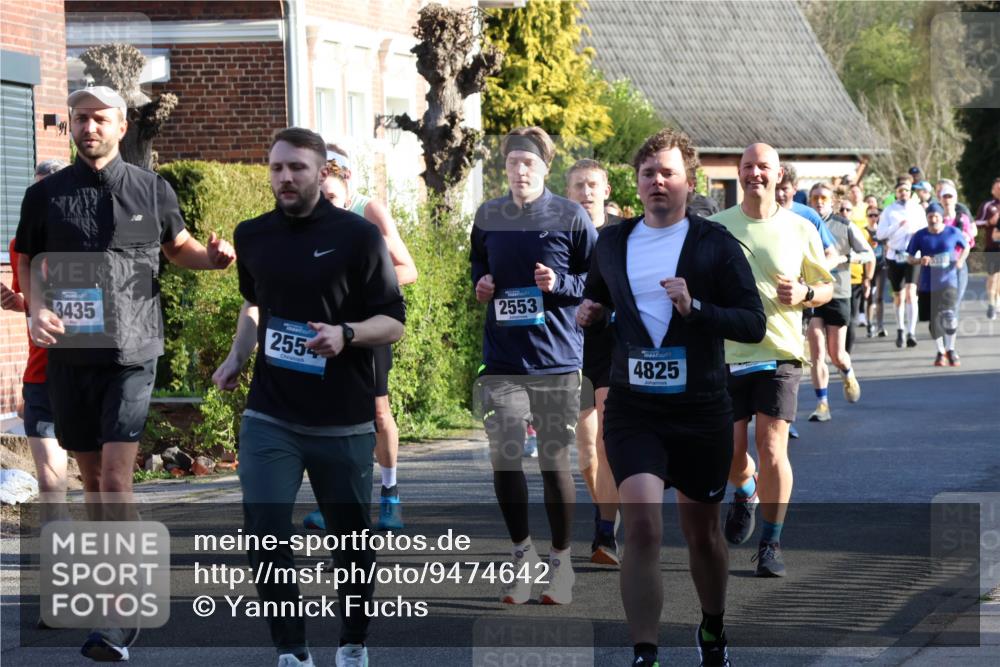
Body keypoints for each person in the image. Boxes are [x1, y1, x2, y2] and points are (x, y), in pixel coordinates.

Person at [14, 86, 235, 662]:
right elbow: (30, 261)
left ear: (121, 125)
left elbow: (178, 248)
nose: (90, 127)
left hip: (134, 351)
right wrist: (36, 306)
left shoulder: (151, 188)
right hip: (72, 357)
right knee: (91, 483)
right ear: (73, 127)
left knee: (115, 479)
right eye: (81, 118)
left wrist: (212, 259)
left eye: (101, 119)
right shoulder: (46, 196)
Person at [213, 127, 405, 667]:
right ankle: (292, 651)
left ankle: (352, 642)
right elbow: (255, 308)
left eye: (297, 167)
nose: (285, 177)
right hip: (270, 412)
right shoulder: (252, 235)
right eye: (276, 168)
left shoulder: (357, 237)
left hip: (342, 417)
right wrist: (237, 357)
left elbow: (392, 322)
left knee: (350, 541)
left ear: (321, 173)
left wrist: (345, 335)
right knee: (265, 530)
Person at [579, 128, 764, 667]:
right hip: (635, 407)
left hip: (701, 409)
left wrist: (697, 308)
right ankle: (645, 652)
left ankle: (711, 629)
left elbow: (752, 321)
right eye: (648, 173)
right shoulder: (612, 242)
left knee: (702, 534)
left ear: (688, 181)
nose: (657, 181)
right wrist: (589, 315)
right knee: (640, 526)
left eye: (668, 173)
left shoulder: (715, 245)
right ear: (635, 183)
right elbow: (599, 303)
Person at [471, 126, 595, 605]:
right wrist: (481, 284)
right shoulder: (488, 215)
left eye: (528, 163)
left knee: (552, 461)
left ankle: (560, 563)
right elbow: (477, 267)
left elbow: (592, 280)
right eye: (512, 163)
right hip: (503, 360)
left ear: (545, 168)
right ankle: (523, 556)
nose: (519, 171)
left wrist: (558, 283)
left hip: (557, 360)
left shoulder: (571, 216)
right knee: (504, 456)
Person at [711, 143, 833, 578]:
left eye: (764, 166)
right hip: (726, 354)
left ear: (779, 174)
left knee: (772, 445)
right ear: (739, 173)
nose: (755, 173)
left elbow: (826, 288)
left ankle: (770, 543)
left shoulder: (801, 227)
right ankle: (745, 491)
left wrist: (805, 294)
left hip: (780, 352)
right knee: (731, 452)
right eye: (748, 167)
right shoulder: (715, 227)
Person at [309, 148, 418, 532]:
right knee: (326, 414)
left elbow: (408, 269)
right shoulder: (309, 216)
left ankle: (390, 496)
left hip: (368, 328)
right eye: (320, 197)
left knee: (377, 412)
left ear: (349, 182)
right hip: (324, 329)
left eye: (333, 198)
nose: (326, 205)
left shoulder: (369, 212)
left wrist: (364, 289)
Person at [2, 160, 71, 526]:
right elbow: (34, 302)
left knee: (103, 479)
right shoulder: (17, 246)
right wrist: (19, 301)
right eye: (35, 192)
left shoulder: (89, 241)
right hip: (40, 369)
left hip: (88, 370)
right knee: (48, 478)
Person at [564, 158, 623, 565]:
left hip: (611, 348)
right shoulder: (555, 235)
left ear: (606, 191)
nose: (586, 192)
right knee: (585, 454)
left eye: (592, 185)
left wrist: (608, 311)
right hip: (568, 349)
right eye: (578, 186)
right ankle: (607, 508)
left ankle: (606, 533)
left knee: (606, 444)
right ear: (567, 194)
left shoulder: (620, 236)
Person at [805, 184, 873, 423]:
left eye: (824, 198)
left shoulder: (844, 225)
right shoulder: (802, 224)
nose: (819, 201)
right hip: (811, 293)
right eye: (815, 198)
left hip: (838, 292)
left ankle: (847, 373)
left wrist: (846, 258)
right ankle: (822, 404)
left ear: (832, 201)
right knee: (817, 352)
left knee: (837, 354)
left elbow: (869, 254)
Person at [906, 203, 969, 366]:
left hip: (948, 280)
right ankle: (941, 351)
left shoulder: (952, 232)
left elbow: (966, 246)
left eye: (936, 216)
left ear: (942, 217)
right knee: (934, 321)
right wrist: (921, 260)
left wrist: (960, 261)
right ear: (926, 218)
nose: (933, 219)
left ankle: (951, 349)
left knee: (949, 315)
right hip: (927, 283)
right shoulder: (920, 235)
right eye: (930, 217)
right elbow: (909, 258)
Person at [876, 177, 927, 349]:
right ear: (896, 193)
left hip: (913, 256)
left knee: (911, 292)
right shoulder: (889, 211)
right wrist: (897, 226)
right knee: (898, 295)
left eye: (906, 190)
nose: (903, 193)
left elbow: (925, 229)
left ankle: (911, 332)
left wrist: (917, 236)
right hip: (894, 256)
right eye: (900, 191)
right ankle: (900, 329)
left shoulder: (918, 209)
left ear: (910, 192)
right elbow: (880, 234)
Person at [938, 183, 976, 317]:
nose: (947, 200)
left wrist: (966, 237)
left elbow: (971, 241)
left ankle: (950, 327)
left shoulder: (962, 218)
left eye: (950, 196)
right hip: (940, 264)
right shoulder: (937, 219)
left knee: (956, 300)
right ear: (940, 199)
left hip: (959, 263)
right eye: (945, 197)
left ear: (955, 199)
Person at [975, 177, 1000, 319]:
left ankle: (997, 299)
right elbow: (976, 222)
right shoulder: (987, 205)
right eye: (998, 188)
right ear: (993, 190)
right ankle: (991, 304)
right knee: (993, 275)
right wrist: (989, 222)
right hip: (992, 246)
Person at [864, 205, 889, 338]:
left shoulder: (882, 231)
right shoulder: (863, 232)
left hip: (881, 265)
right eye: (870, 215)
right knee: (869, 298)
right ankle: (869, 325)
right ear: (866, 217)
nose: (873, 218)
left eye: (875, 215)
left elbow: (888, 245)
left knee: (879, 297)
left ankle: (880, 325)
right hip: (867, 266)